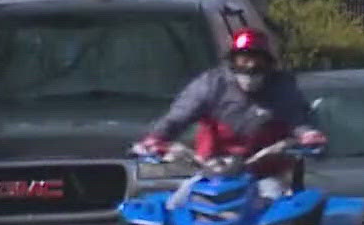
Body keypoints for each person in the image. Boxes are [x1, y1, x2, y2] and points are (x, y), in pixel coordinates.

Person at [133, 27, 327, 204]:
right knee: (176, 204)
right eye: (244, 59)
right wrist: (155, 139)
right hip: (211, 172)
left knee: (276, 202)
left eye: (257, 60)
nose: (250, 66)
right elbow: (177, 117)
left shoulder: (282, 87)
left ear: (268, 63)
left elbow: (299, 120)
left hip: (264, 174)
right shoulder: (211, 84)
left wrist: (308, 135)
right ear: (232, 61)